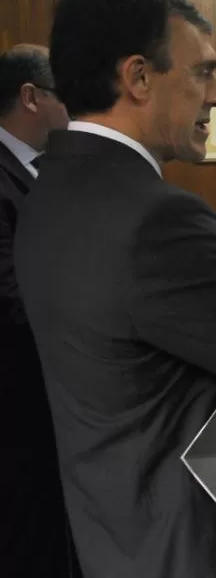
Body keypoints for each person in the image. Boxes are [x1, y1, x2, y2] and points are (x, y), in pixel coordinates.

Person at [14, 0, 216, 578]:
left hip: (114, 531)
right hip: (197, 542)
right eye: (203, 72)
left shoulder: (47, 189)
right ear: (137, 77)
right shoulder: (159, 218)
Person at [0, 45, 75, 577]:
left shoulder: (48, 168)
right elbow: (10, 297)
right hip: (19, 399)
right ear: (31, 96)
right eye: (65, 92)